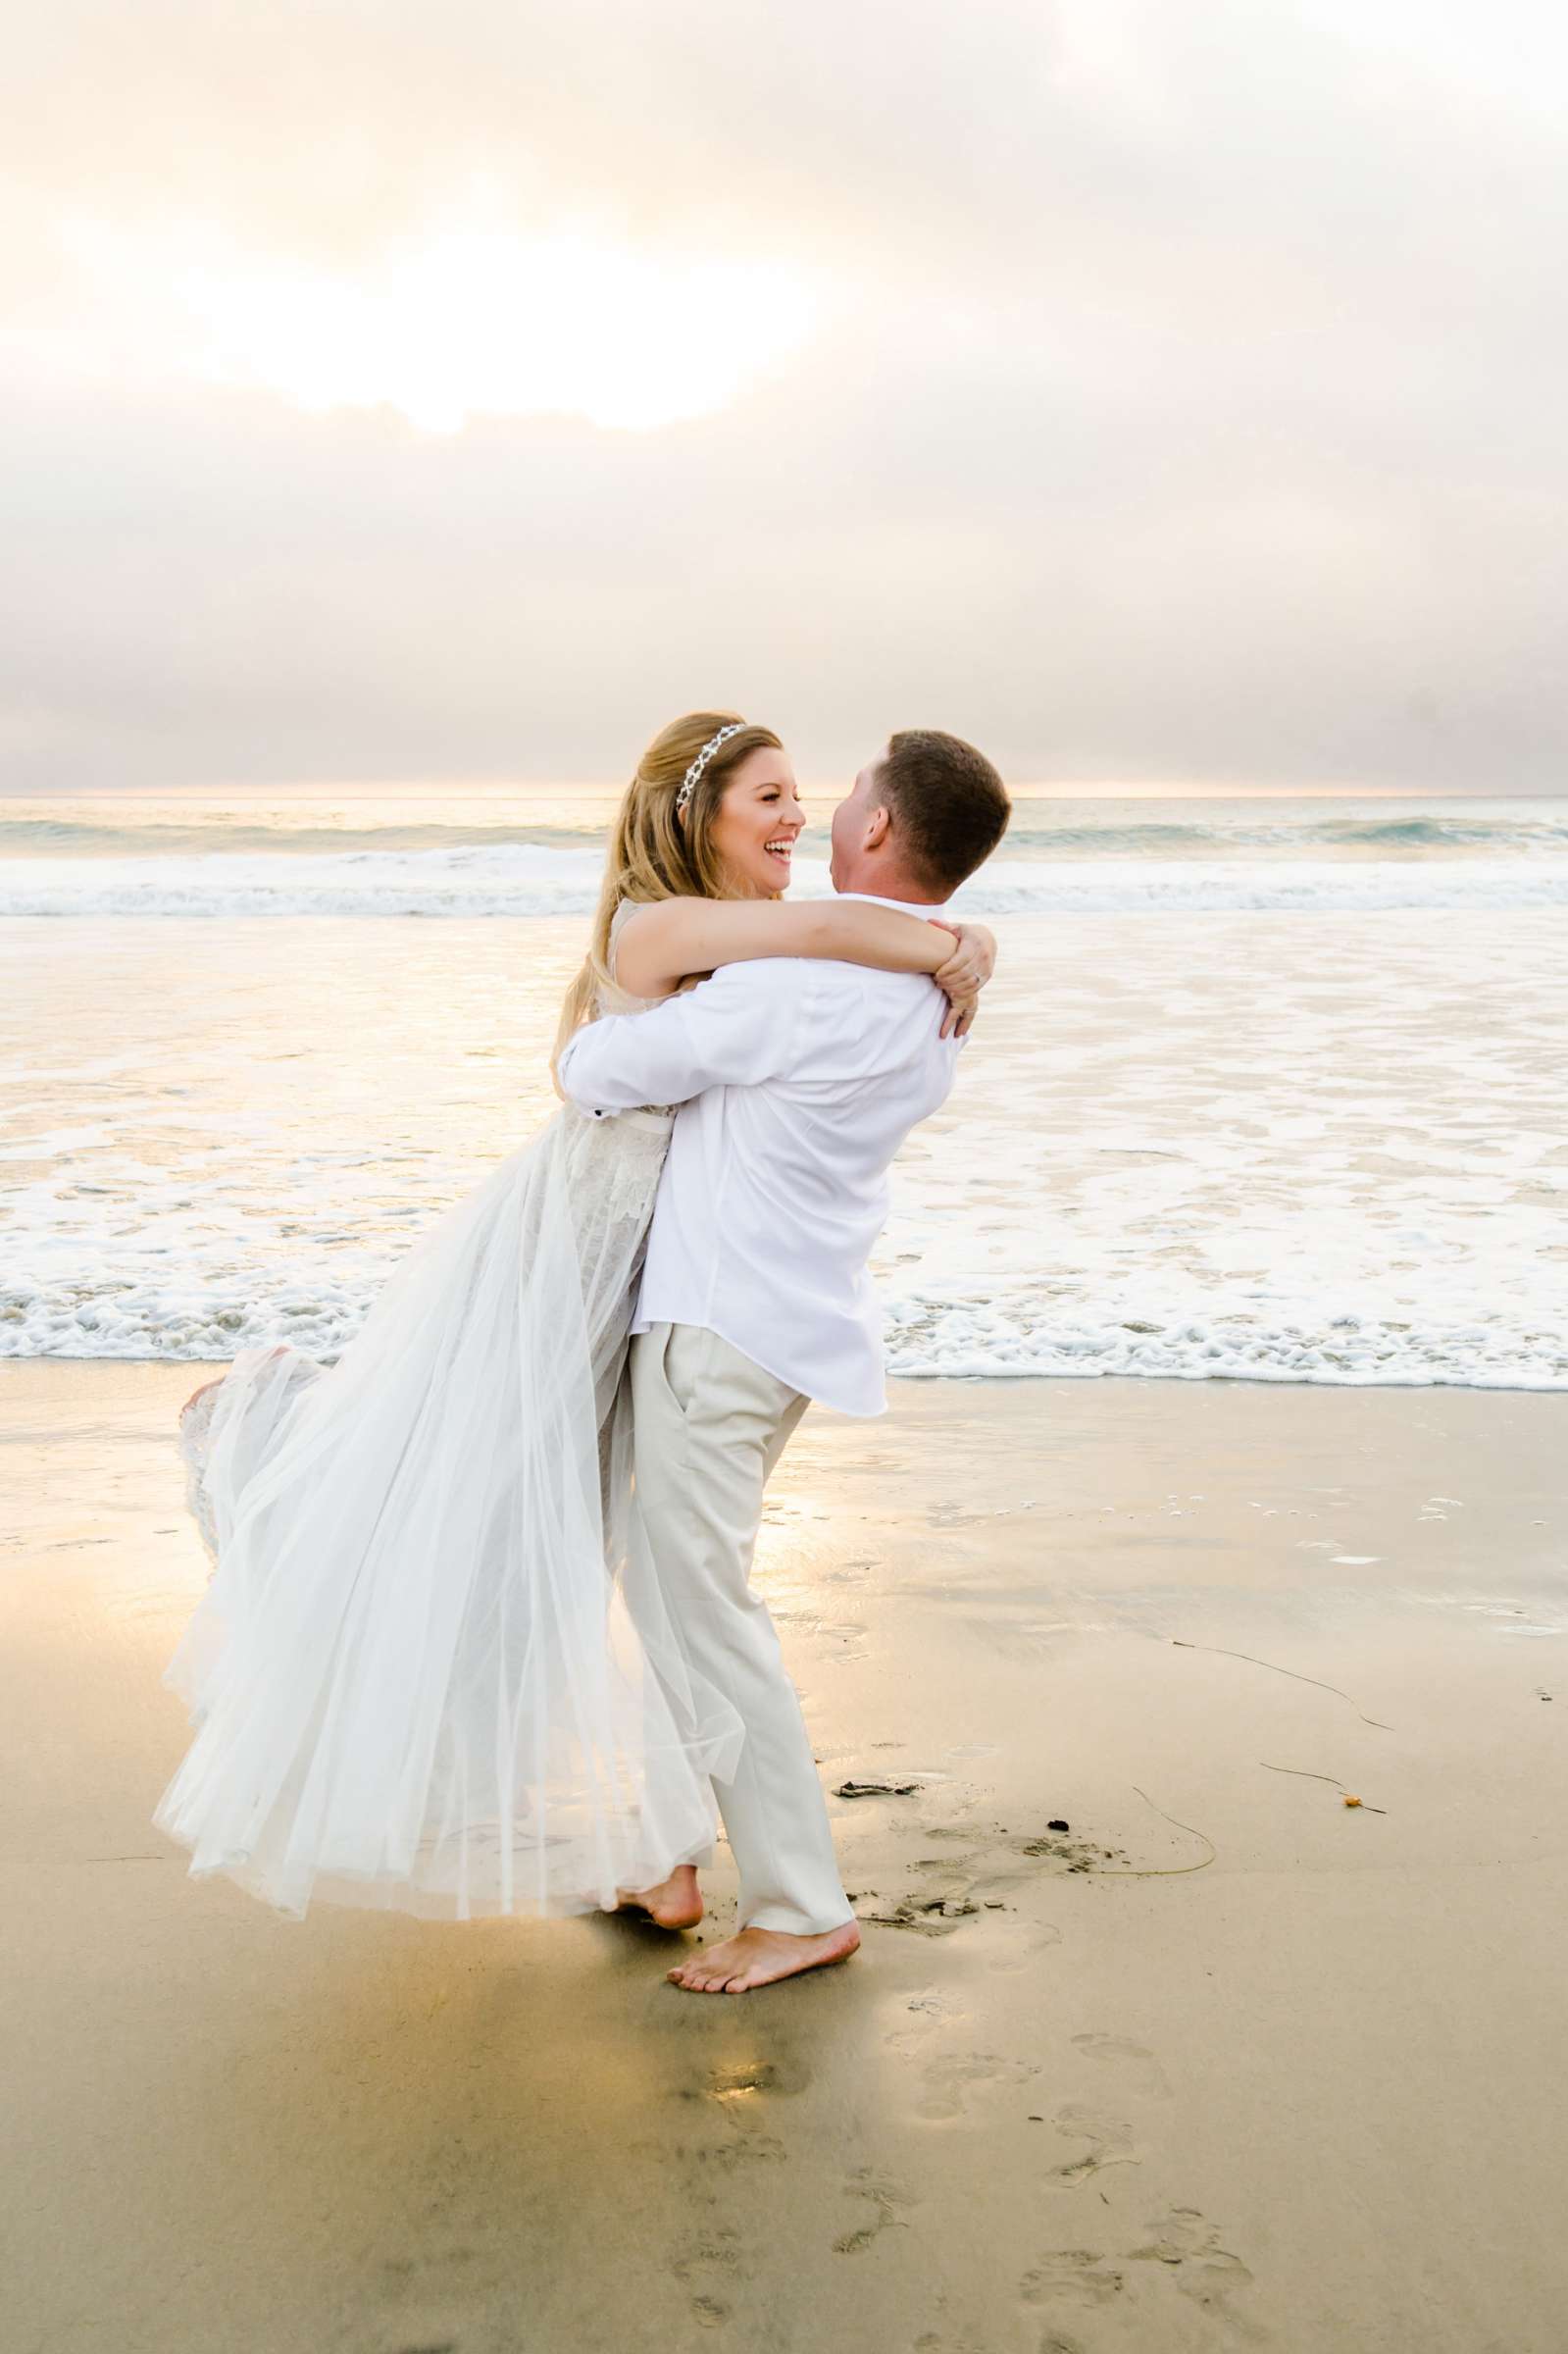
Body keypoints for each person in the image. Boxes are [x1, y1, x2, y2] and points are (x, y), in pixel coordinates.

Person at [156, 713, 996, 1927]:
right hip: (581, 1251)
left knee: (602, 1548)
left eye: (807, 795)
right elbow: (811, 934)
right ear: (693, 814)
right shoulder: (675, 930)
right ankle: (265, 1458)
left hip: (653, 1279)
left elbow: (815, 946)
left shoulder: (790, 964)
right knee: (486, 1501)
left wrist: (955, 940)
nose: (795, 818)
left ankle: (663, 1854)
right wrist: (958, 939)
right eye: (767, 797)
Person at [556, 725, 1011, 1992]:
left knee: (697, 1606)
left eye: (840, 797)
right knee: (674, 1588)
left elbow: (590, 1072)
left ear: (875, 831)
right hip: (793, 1330)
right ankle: (661, 1858)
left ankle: (799, 1904)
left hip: (716, 1330)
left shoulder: (799, 983)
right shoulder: (930, 994)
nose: (817, 817)